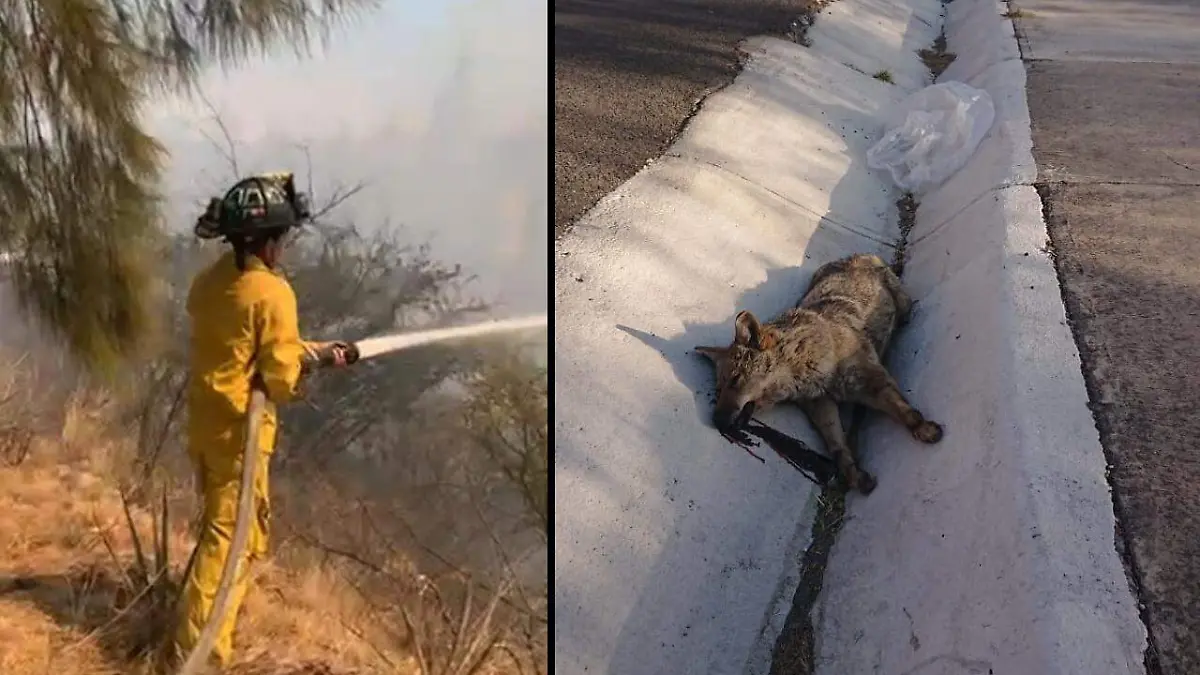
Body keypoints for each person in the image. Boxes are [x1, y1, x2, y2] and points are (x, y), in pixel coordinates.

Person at [173, 172, 349, 666]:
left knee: (222, 530)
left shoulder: (213, 281)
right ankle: (201, 656)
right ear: (268, 241)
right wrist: (306, 366)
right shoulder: (273, 293)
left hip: (207, 425)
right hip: (239, 436)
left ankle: (200, 642)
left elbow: (243, 339)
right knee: (231, 542)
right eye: (282, 237)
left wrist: (312, 350)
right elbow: (279, 380)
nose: (284, 247)